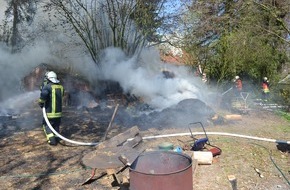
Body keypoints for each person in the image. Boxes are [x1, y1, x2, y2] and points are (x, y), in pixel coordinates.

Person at [38, 71, 64, 145]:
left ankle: (51, 140)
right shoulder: (61, 87)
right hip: (58, 113)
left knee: (46, 125)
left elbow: (43, 97)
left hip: (49, 112)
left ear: (48, 79)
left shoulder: (47, 87)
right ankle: (56, 137)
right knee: (56, 125)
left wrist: (40, 103)